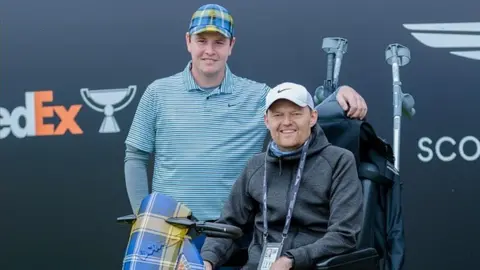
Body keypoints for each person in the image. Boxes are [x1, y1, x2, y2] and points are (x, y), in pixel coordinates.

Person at [124, 3, 366, 226]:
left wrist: (339, 94)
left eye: (219, 42)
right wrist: (144, 216)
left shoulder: (257, 95)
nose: (209, 50)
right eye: (201, 40)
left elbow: (298, 110)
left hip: (232, 230)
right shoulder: (158, 92)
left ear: (231, 45)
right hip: (168, 227)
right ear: (188, 41)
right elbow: (135, 155)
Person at [200, 82, 364, 270]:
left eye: (295, 113)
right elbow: (228, 225)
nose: (286, 122)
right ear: (267, 121)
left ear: (312, 117)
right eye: (278, 115)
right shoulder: (255, 166)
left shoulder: (339, 161)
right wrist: (207, 260)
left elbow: (344, 234)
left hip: (311, 265)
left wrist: (292, 260)